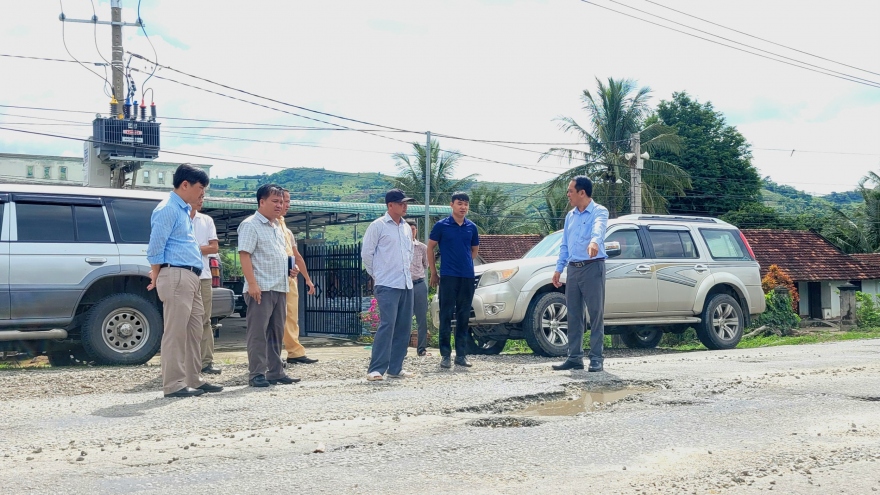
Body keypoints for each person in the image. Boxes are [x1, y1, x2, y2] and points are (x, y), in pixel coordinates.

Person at [147, 164, 223, 398]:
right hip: (176, 274)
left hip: (191, 275)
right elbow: (155, 247)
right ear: (185, 185)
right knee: (176, 331)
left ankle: (193, 379)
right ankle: (174, 384)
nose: (202, 194)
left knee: (194, 330)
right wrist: (156, 273)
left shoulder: (183, 211)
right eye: (200, 188)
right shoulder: (168, 209)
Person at [238, 184, 301, 387]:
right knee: (258, 333)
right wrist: (252, 284)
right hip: (261, 288)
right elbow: (244, 255)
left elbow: (279, 255)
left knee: (276, 333)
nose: (279, 205)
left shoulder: (277, 228)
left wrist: (290, 270)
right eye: (275, 201)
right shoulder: (250, 225)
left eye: (281, 201)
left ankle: (275, 371)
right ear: (261, 202)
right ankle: (256, 373)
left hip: (280, 287)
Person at [551, 176, 609, 373]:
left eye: (570, 191)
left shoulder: (599, 211)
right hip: (573, 268)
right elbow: (565, 245)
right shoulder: (570, 216)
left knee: (595, 313)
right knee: (574, 314)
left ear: (582, 193)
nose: (568, 194)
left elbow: (599, 228)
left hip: (593, 267)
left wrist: (594, 242)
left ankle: (596, 358)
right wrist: (559, 268)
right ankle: (574, 357)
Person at [361, 188, 415, 381]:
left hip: (406, 283)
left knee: (403, 327)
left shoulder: (406, 227)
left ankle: (395, 367)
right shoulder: (378, 226)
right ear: (390, 205)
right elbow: (366, 254)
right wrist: (377, 275)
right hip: (387, 284)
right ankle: (376, 369)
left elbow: (409, 253)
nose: (405, 206)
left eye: (406, 203)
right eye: (401, 203)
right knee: (387, 325)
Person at [428, 192, 479, 369]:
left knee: (464, 316)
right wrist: (433, 272)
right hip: (448, 276)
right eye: (459, 203)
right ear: (451, 205)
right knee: (446, 315)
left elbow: (474, 250)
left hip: (467, 277)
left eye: (466, 204)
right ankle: (445, 355)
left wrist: (465, 263)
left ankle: (461, 355)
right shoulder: (442, 226)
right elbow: (430, 248)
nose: (463, 207)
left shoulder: (472, 227)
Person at [278, 189, 317, 365]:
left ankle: (294, 352)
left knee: (292, 315)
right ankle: (270, 355)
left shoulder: (286, 230)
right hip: (272, 278)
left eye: (287, 202)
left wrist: (307, 279)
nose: (286, 205)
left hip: (290, 277)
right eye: (283, 201)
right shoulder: (269, 226)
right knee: (274, 318)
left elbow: (297, 256)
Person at [189, 193, 222, 375]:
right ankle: (184, 362)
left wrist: (190, 248)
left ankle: (206, 361)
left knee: (205, 319)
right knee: (182, 320)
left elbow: (214, 247)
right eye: (198, 196)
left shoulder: (206, 220)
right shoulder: (178, 217)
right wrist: (202, 248)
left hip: (204, 276)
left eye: (203, 197)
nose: (201, 200)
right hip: (183, 274)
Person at [407, 219, 430, 357]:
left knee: (422, 317)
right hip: (405, 285)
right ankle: (401, 348)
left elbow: (426, 265)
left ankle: (421, 348)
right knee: (404, 317)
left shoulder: (422, 247)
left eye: (413, 229)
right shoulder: (400, 246)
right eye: (409, 229)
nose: (412, 232)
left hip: (419, 283)